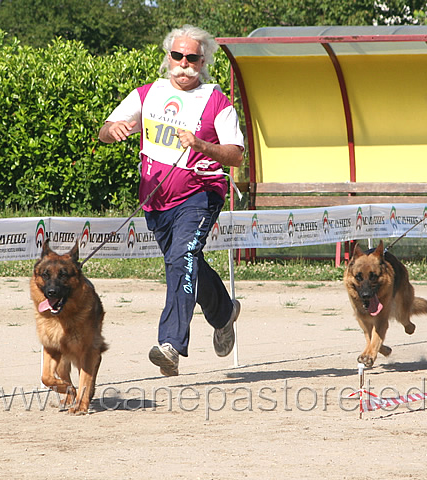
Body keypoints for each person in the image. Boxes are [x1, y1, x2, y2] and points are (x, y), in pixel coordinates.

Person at [98, 25, 244, 375]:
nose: (183, 64)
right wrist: (112, 131)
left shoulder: (216, 101)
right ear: (168, 57)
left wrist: (200, 145)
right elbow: (106, 128)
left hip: (200, 195)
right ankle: (224, 312)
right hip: (155, 201)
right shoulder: (147, 94)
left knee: (181, 259)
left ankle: (170, 346)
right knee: (186, 264)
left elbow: (236, 155)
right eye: (177, 56)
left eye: (192, 57)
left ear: (203, 60)